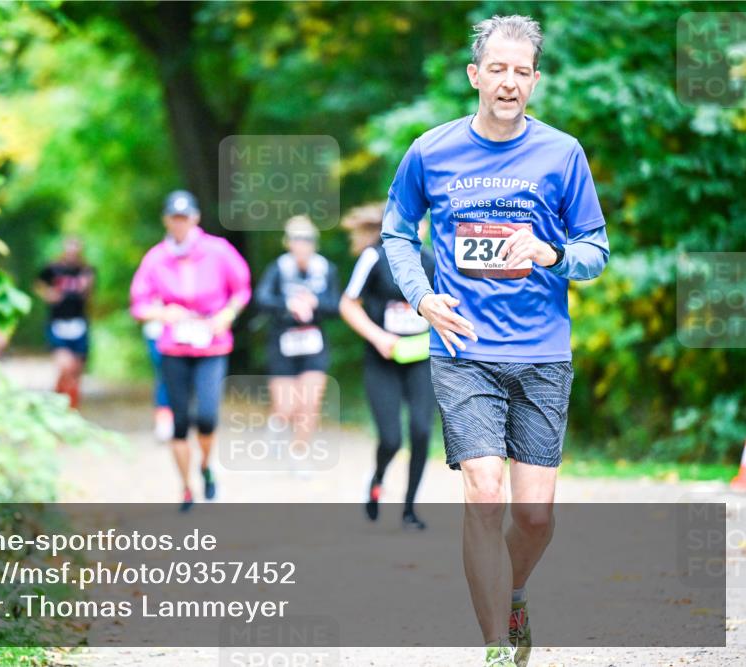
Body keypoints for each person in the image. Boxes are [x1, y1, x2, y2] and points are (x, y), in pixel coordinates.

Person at [381, 15, 610, 667]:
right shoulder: (430, 150)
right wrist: (422, 295)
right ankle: (494, 647)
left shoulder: (562, 154)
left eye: (521, 71)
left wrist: (551, 250)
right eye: (497, 69)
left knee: (534, 515)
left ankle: (514, 593)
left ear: (534, 81)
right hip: (463, 348)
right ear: (474, 75)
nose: (508, 81)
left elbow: (596, 251)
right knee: (484, 488)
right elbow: (398, 232)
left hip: (541, 351)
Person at [130, 190, 251, 511]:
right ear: (166, 220)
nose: (180, 224)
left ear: (195, 218)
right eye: (174, 218)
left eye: (185, 218)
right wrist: (162, 314)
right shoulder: (156, 258)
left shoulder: (218, 251)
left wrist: (227, 315)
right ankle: (186, 487)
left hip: (211, 345)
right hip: (174, 347)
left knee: (207, 416)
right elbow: (138, 303)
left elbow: (241, 288)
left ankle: (206, 466)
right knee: (180, 420)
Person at [339, 203, 435, 529]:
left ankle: (409, 510)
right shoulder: (374, 257)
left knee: (422, 431)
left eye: (422, 223)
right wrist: (378, 336)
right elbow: (348, 304)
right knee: (391, 439)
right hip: (383, 360)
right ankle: (377, 479)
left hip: (421, 358)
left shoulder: (432, 262)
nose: (418, 228)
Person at [254, 216, 340, 472]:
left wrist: (315, 303)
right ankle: (277, 424)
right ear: (288, 243)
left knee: (310, 402)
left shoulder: (327, 269)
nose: (302, 245)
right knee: (286, 405)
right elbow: (261, 298)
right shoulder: (278, 268)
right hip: (283, 342)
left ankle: (299, 453)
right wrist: (288, 304)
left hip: (314, 342)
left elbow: (337, 305)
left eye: (307, 239)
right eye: (296, 239)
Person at [36, 237, 95, 410]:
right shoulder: (53, 268)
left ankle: (72, 407)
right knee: (65, 366)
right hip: (57, 323)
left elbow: (89, 298)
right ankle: (59, 400)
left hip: (79, 323)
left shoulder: (85, 271)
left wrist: (87, 287)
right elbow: (38, 284)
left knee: (76, 370)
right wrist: (48, 294)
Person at [143, 318, 174, 442]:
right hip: (157, 333)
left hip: (191, 335)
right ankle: (164, 421)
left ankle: (179, 418)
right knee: (165, 377)